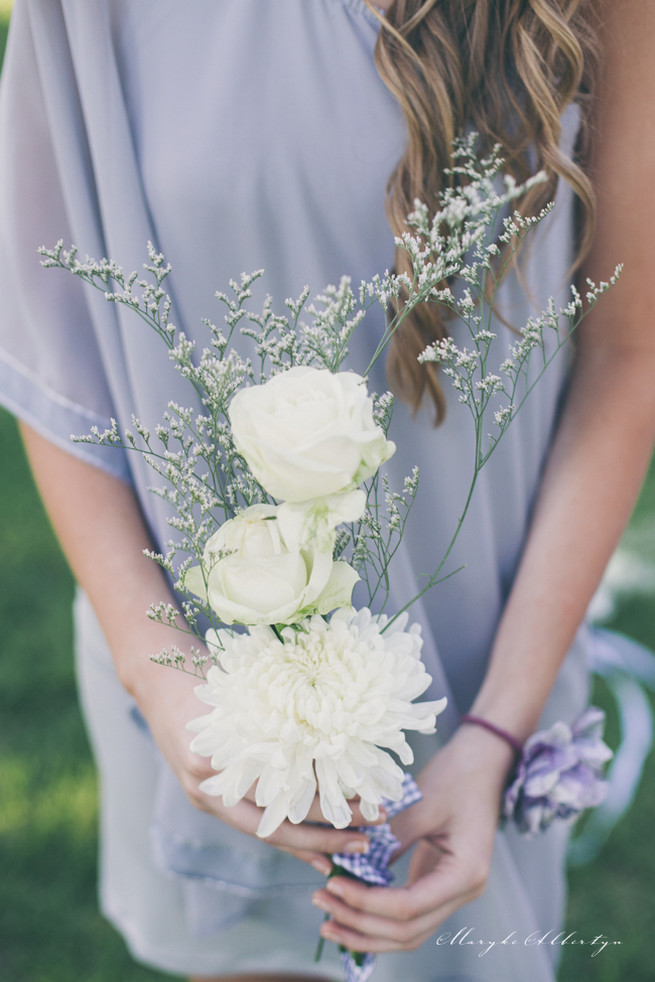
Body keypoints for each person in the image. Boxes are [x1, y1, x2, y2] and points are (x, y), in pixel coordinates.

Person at [0, 1, 653, 981]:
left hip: (491, 674)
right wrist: (171, 687)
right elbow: (57, 356)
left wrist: (491, 733)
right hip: (205, 682)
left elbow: (626, 353)